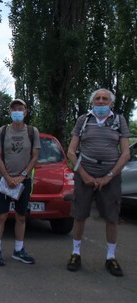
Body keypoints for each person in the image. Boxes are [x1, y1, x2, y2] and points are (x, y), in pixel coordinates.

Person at [66, 88, 130, 277]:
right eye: (97, 99)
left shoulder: (119, 121)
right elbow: (71, 151)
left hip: (110, 176)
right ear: (92, 102)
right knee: (80, 215)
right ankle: (75, 253)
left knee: (111, 217)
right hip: (85, 173)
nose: (101, 102)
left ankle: (111, 257)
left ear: (111, 103)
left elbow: (125, 153)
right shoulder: (83, 120)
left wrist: (108, 176)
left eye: (105, 99)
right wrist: (84, 175)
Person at [0, 99, 40, 266]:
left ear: (25, 112)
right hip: (4, 179)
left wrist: (21, 176)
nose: (17, 112)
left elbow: (34, 157)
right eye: (14, 109)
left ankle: (18, 250)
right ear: (10, 112)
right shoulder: (2, 131)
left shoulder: (33, 132)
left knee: (21, 216)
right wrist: (7, 177)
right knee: (1, 215)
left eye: (20, 109)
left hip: (24, 181)